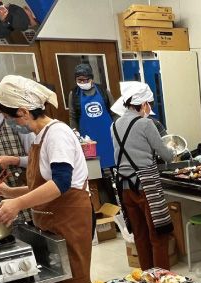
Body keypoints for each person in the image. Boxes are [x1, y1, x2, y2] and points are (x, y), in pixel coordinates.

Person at [0, 75, 92, 283]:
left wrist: (18, 204)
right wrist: (10, 193)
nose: (9, 123)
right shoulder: (40, 136)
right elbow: (42, 186)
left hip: (69, 219)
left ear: (24, 112)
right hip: (53, 221)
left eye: (9, 117)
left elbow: (61, 183)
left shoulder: (58, 134)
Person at [110, 81, 175, 271]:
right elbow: (166, 155)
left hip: (124, 186)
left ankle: (147, 277)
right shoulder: (146, 124)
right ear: (144, 103)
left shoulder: (114, 125)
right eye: (149, 104)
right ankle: (162, 278)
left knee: (140, 234)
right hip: (145, 186)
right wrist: (172, 150)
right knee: (157, 234)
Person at [68, 63, 116, 172]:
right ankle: (98, 187)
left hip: (108, 136)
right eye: (80, 80)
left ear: (91, 79)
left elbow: (114, 112)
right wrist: (75, 134)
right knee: (94, 170)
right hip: (88, 140)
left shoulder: (103, 91)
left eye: (86, 80)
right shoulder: (73, 94)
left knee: (113, 164)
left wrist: (119, 131)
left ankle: (113, 185)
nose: (83, 82)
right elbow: (73, 116)